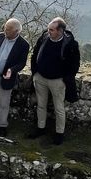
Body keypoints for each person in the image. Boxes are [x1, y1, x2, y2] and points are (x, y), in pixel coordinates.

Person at [28, 16, 81, 144]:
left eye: (51, 29)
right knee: (41, 105)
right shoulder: (44, 37)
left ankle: (59, 133)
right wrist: (35, 73)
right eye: (48, 29)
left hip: (57, 81)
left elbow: (75, 65)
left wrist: (64, 79)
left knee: (59, 108)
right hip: (40, 77)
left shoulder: (71, 44)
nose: (48, 31)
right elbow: (35, 55)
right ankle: (40, 128)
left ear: (60, 31)